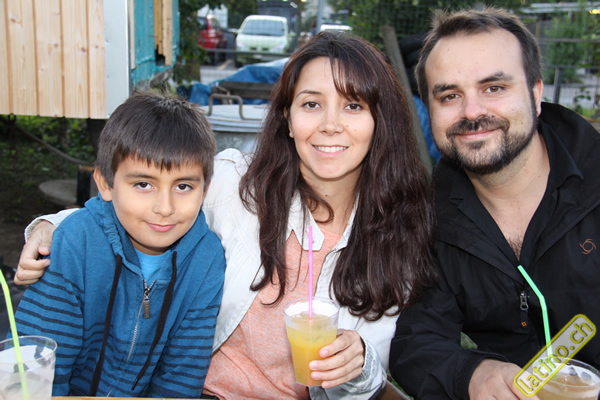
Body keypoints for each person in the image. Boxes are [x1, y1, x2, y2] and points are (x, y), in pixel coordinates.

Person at [15, 31, 436, 399]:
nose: (330, 124)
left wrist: (360, 364)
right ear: (287, 118)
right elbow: (143, 198)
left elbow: (372, 378)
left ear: (379, 121)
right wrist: (54, 227)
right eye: (311, 104)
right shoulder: (237, 185)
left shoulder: (398, 236)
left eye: (353, 106)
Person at [389, 7, 600, 399]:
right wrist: (471, 373)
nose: (472, 112)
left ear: (535, 94)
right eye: (450, 96)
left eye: (494, 88)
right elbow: (415, 340)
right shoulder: (431, 220)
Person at [13, 92, 226, 397]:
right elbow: (42, 369)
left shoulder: (207, 260)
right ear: (105, 184)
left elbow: (181, 376)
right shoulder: (76, 244)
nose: (165, 208)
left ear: (204, 190)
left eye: (183, 186)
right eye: (143, 184)